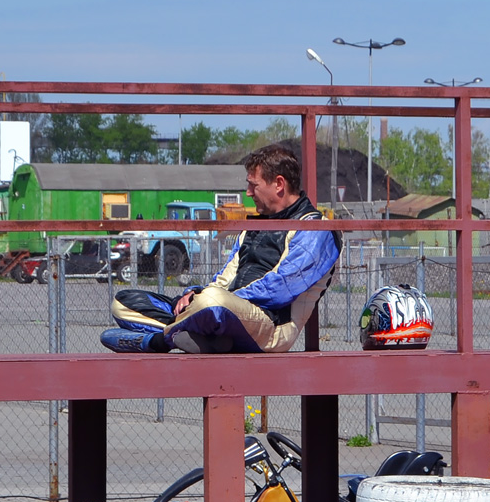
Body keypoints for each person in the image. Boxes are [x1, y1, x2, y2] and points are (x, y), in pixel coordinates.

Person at [101, 142, 339, 354]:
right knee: (123, 302)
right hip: (226, 309)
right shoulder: (253, 227)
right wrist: (195, 295)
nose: (248, 193)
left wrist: (214, 301)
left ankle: (157, 341)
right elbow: (225, 278)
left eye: (253, 185)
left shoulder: (316, 228)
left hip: (271, 326)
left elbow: (280, 289)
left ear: (278, 184)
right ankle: (203, 336)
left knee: (211, 301)